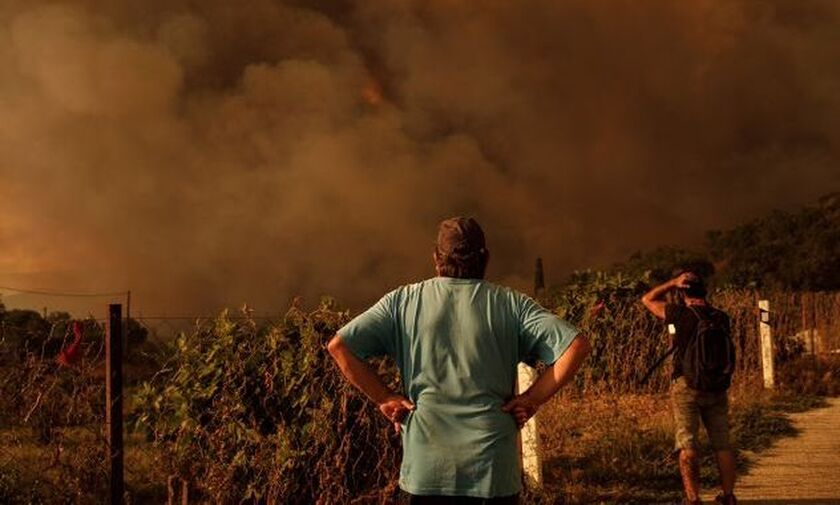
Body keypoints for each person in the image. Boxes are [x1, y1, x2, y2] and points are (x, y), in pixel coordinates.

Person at [328, 217, 591, 504]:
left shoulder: (402, 301)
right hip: (492, 475)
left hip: (426, 473)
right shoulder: (512, 304)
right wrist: (532, 399)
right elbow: (575, 345)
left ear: (436, 258)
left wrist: (384, 397)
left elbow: (339, 346)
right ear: (486, 258)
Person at [641, 272, 737, 505]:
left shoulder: (679, 313)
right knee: (722, 443)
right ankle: (728, 496)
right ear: (704, 292)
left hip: (687, 385)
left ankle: (693, 499)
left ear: (683, 293)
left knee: (687, 442)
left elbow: (648, 299)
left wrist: (672, 283)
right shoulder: (721, 317)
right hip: (717, 387)